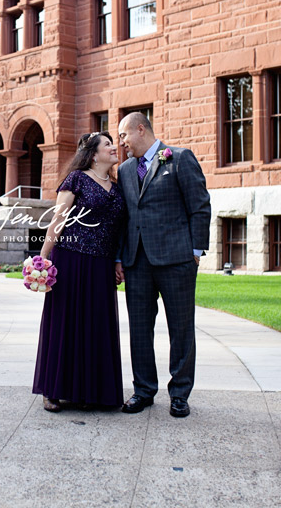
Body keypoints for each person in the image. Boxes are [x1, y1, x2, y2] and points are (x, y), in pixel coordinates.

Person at [116, 112, 211, 418]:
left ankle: (180, 394)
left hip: (176, 260)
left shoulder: (180, 159)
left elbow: (200, 206)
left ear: (140, 130)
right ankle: (143, 390)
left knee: (180, 329)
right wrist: (119, 257)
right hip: (137, 262)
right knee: (139, 330)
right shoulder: (126, 170)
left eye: (123, 135)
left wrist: (195, 250)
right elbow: (124, 218)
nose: (121, 143)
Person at [33, 131, 127, 412]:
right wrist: (42, 259)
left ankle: (91, 392)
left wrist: (117, 262)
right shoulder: (76, 178)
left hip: (101, 264)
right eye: (108, 145)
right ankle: (52, 389)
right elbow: (57, 221)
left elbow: (119, 229)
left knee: (96, 326)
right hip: (71, 260)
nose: (114, 148)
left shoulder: (117, 186)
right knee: (64, 324)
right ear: (93, 153)